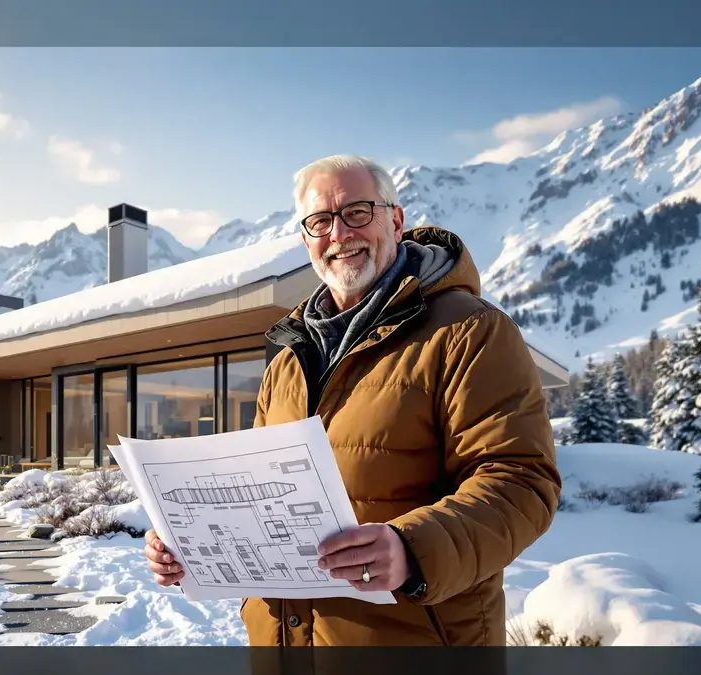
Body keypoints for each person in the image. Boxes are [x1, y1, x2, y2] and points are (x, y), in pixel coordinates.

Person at [143, 154, 562, 646]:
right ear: (306, 240)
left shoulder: (468, 331)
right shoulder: (286, 365)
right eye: (321, 221)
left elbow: (521, 482)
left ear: (396, 219)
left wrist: (412, 549)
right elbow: (258, 499)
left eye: (357, 212)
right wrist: (192, 544)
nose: (339, 234)